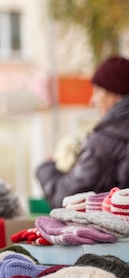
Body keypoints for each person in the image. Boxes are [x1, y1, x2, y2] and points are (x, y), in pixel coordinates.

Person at [37, 55, 129, 209]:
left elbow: (65, 199)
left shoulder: (103, 144)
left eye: (98, 92)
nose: (92, 100)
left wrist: (47, 168)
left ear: (117, 95)